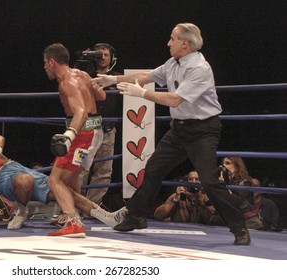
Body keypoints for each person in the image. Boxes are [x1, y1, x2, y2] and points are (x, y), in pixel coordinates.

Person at [93, 23, 251, 245]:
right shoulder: (173, 63)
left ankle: (239, 227)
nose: (168, 43)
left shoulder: (199, 68)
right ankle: (136, 216)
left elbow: (176, 99)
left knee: (209, 181)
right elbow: (147, 76)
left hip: (202, 130)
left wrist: (142, 94)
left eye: (172, 39)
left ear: (184, 43)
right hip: (179, 128)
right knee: (153, 170)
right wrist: (113, 80)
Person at [0, 124, 126, 234]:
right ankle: (21, 212)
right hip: (1, 180)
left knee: (63, 190)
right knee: (24, 180)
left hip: (15, 166)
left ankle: (108, 218)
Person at [43, 43, 107, 237]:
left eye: (45, 63)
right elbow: (102, 96)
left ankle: (74, 223)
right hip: (95, 132)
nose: (44, 67)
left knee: (54, 180)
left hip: (82, 134)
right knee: (69, 178)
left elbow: (81, 113)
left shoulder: (66, 83)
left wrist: (68, 136)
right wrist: (89, 84)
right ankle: (72, 213)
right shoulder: (82, 75)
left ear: (52, 62)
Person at [78, 43, 123, 208]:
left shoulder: (118, 78)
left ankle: (90, 207)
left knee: (104, 171)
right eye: (100, 54)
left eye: (106, 55)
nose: (103, 58)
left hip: (109, 129)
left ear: (112, 58)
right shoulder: (84, 75)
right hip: (87, 128)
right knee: (80, 169)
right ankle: (77, 204)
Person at [219, 157, 263, 230]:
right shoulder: (226, 182)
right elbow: (209, 202)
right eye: (223, 163)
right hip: (233, 221)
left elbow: (236, 201)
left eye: (227, 163)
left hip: (248, 222)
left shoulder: (245, 182)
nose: (223, 166)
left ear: (236, 167)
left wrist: (222, 186)